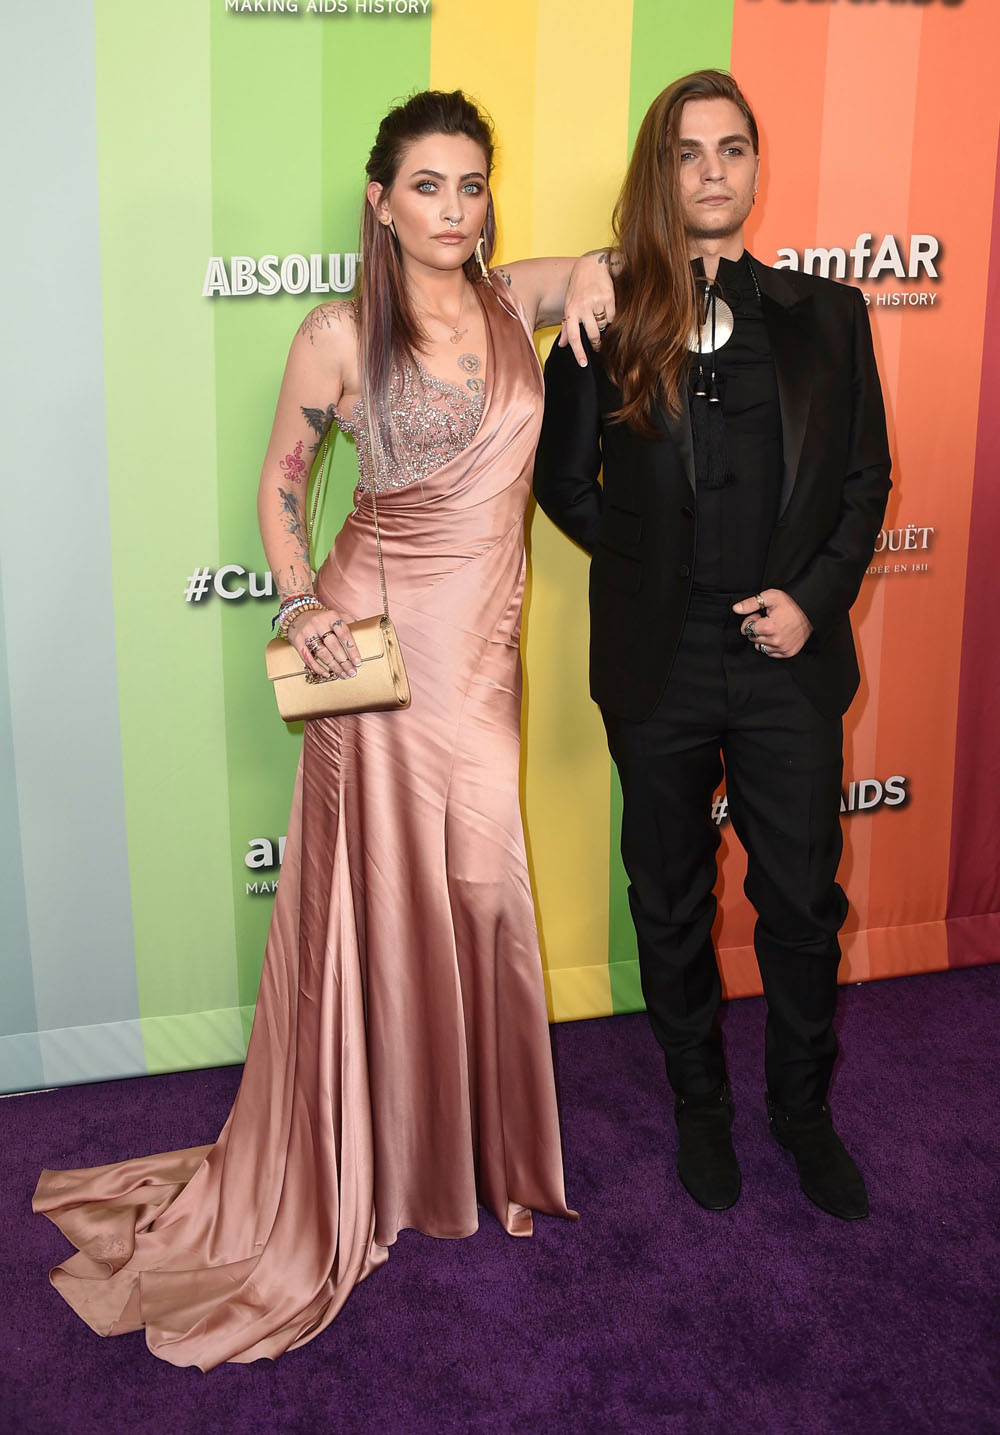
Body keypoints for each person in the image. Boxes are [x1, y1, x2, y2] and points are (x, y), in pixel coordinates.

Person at [32, 89, 614, 1368]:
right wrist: (298, 604)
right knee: (374, 910)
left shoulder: (516, 299)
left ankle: (458, 1144)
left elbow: (596, 267)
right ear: (379, 199)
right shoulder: (339, 335)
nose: (452, 210)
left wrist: (603, 271)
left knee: (479, 889)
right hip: (378, 650)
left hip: (482, 659)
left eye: (471, 185)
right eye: (427, 187)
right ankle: (367, 1148)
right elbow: (283, 481)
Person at [534, 70, 891, 1221]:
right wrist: (649, 577)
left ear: (754, 166)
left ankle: (800, 1111)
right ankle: (701, 1105)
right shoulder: (608, 313)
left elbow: (861, 480)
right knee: (672, 899)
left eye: (730, 150)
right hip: (660, 664)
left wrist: (812, 597)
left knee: (798, 900)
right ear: (660, 171)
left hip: (789, 656)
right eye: (687, 154)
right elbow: (560, 479)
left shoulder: (826, 315)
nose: (711, 173)